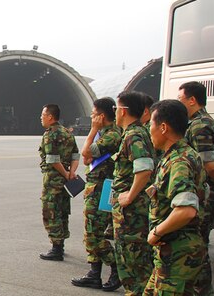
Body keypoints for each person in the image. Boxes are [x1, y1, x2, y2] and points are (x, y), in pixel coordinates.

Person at [177, 81, 214, 295]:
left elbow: (210, 164)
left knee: (197, 246)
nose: (178, 103)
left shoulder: (200, 125)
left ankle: (202, 290)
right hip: (202, 191)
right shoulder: (196, 122)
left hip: (205, 194)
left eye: (180, 99)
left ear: (192, 100)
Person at [143, 99, 208, 295]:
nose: (149, 130)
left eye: (151, 124)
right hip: (172, 252)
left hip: (177, 252)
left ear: (163, 127)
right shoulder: (180, 154)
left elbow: (186, 210)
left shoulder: (179, 161)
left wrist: (156, 232)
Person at [72, 98, 121, 290]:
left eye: (93, 114)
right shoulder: (104, 133)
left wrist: (93, 130)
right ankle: (94, 273)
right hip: (95, 188)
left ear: (101, 116)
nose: (91, 117)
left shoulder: (111, 135)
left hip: (102, 189)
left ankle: (117, 268)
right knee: (91, 231)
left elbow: (86, 152)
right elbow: (86, 159)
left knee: (94, 235)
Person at [111, 91, 154, 294]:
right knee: (131, 260)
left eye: (116, 108)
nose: (115, 113)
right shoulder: (134, 132)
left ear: (123, 111)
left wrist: (130, 196)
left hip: (132, 212)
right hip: (130, 209)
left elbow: (144, 169)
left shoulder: (134, 135)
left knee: (134, 262)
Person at [37, 104, 79, 261]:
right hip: (66, 180)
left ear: (50, 117)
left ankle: (56, 248)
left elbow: (53, 159)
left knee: (51, 211)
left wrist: (65, 173)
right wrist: (71, 172)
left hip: (53, 180)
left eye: (43, 115)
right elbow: (75, 155)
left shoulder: (50, 135)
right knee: (62, 211)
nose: (41, 118)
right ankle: (60, 244)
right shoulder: (67, 133)